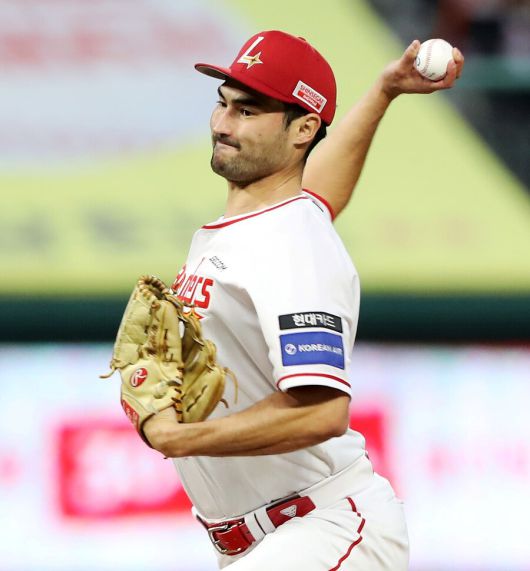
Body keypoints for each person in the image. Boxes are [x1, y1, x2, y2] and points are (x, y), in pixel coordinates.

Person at [142, 30, 464, 570]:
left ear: (304, 129)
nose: (223, 124)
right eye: (222, 103)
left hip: (323, 528)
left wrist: (182, 437)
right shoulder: (274, 219)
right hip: (273, 537)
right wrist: (384, 90)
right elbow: (318, 193)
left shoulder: (294, 244)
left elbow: (323, 411)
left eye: (247, 111)